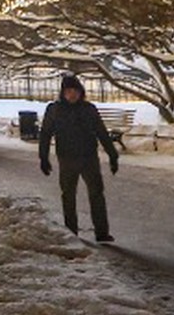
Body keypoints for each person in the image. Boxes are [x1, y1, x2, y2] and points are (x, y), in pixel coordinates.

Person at [38, 74, 119, 243]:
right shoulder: (55, 109)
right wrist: (43, 157)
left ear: (80, 91)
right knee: (68, 195)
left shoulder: (88, 109)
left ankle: (102, 232)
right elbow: (45, 134)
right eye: (68, 91)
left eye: (75, 91)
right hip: (67, 158)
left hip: (88, 157)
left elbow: (101, 132)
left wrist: (112, 155)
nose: (72, 95)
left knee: (96, 193)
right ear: (63, 92)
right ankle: (71, 231)